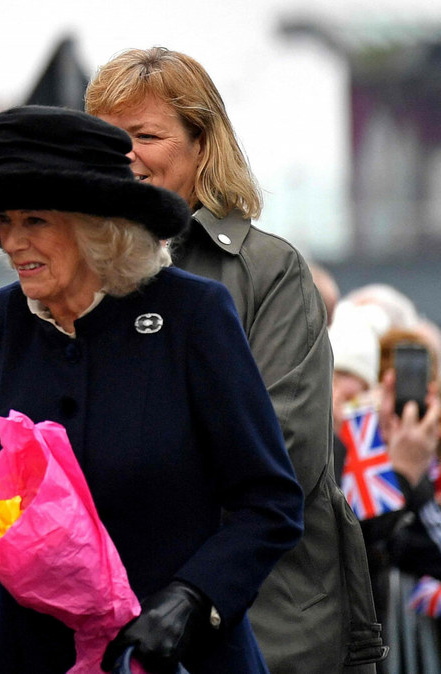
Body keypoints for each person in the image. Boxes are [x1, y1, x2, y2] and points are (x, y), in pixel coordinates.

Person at [0, 105, 304, 673]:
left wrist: (196, 597)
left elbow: (270, 501)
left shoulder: (192, 315)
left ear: (99, 228)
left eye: (34, 221)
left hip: (174, 653)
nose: (12, 241)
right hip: (29, 656)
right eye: (4, 221)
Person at [85, 46, 386, 671]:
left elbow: (286, 448)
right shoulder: (78, 276)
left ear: (202, 145)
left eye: (146, 135)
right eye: (110, 138)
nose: (126, 155)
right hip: (117, 623)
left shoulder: (271, 273)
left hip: (264, 623)